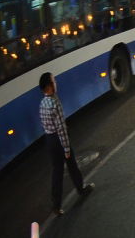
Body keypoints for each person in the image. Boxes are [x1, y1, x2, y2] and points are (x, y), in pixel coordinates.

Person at [38, 72, 94, 216]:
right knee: (72, 165)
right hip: (58, 140)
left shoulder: (43, 102)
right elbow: (61, 129)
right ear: (49, 86)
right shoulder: (54, 102)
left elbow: (46, 125)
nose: (56, 83)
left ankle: (56, 206)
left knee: (56, 172)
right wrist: (67, 148)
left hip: (49, 140)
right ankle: (81, 189)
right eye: (54, 81)